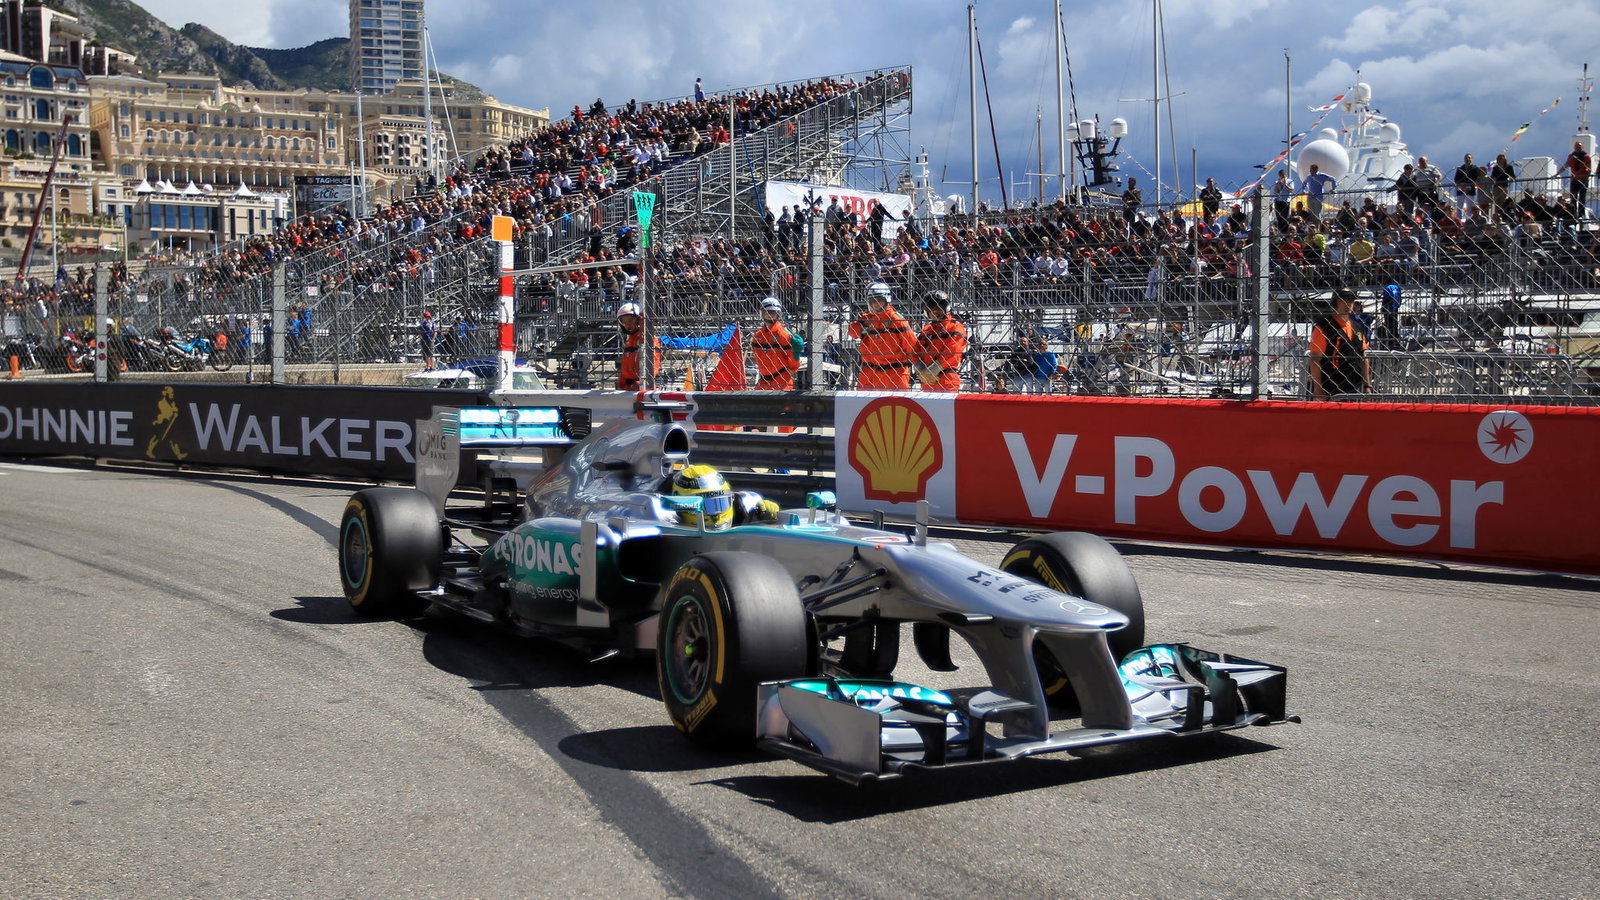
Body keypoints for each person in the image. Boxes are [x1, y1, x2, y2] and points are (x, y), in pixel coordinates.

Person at [666, 464, 778, 530]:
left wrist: (769, 517)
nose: (716, 515)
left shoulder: (748, 506)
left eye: (721, 503)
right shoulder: (665, 519)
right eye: (707, 506)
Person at [848, 281, 914, 389]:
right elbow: (852, 331)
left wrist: (920, 368)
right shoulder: (867, 318)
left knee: (895, 403)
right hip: (869, 371)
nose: (876, 304)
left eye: (879, 300)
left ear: (887, 300)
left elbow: (912, 347)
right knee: (863, 404)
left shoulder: (897, 320)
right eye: (873, 301)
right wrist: (865, 329)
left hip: (895, 373)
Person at [1307, 288, 1371, 401]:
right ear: (1335, 302)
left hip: (1353, 388)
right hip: (1329, 388)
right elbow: (1315, 359)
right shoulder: (1323, 327)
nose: (1349, 303)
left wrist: (1367, 385)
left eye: (1351, 300)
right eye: (1344, 299)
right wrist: (1318, 389)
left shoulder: (1357, 327)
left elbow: (1363, 356)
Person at [913, 290, 968, 392]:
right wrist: (921, 370)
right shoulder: (926, 331)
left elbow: (952, 353)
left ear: (946, 308)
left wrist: (930, 372)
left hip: (946, 380)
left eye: (939, 308)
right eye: (931, 308)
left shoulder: (955, 327)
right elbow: (914, 351)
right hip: (927, 381)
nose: (935, 311)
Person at [749, 297, 803, 390]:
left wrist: (790, 370)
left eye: (773, 312)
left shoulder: (784, 334)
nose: (770, 315)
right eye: (767, 312)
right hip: (764, 380)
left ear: (778, 314)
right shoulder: (758, 335)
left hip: (781, 379)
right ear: (761, 313)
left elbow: (792, 358)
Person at [614, 301, 661, 390]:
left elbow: (653, 363)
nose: (628, 324)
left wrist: (641, 383)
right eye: (624, 321)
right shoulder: (631, 339)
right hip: (628, 387)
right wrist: (621, 383)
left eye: (631, 320)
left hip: (641, 387)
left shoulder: (647, 339)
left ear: (639, 320)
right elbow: (626, 366)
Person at [1006, 329, 1056, 394]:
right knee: (1017, 393)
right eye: (1040, 344)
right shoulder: (1017, 351)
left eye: (1043, 344)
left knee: (1035, 394)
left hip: (1034, 376)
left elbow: (1030, 363)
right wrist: (1022, 361)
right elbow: (1013, 361)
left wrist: (1051, 375)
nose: (1041, 345)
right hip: (1022, 375)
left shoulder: (1032, 352)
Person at [1557, 140, 1591, 215]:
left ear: (1582, 147)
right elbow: (1565, 166)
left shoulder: (1586, 156)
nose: (1578, 148)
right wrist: (1557, 174)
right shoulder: (1571, 156)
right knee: (1573, 198)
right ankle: (1574, 213)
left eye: (1579, 146)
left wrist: (1587, 177)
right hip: (1574, 180)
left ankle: (1581, 214)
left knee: (1582, 198)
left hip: (1583, 179)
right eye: (1576, 146)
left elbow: (1589, 168)